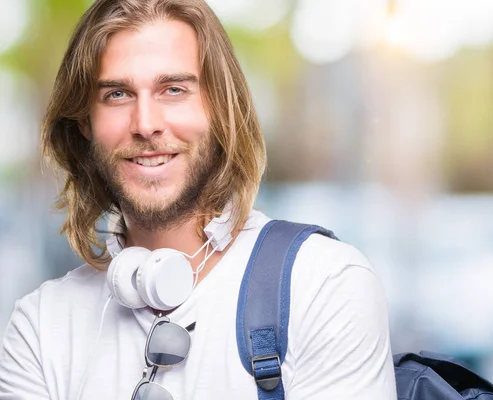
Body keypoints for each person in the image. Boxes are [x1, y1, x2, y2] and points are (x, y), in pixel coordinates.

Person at [0, 0, 396, 398]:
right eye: (118, 94)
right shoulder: (40, 328)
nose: (146, 124)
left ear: (220, 108)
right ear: (85, 122)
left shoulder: (322, 284)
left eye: (173, 89)